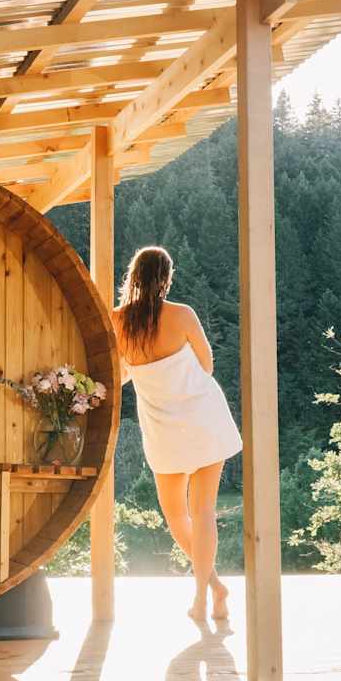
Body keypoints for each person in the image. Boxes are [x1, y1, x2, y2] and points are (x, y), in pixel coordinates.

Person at [112, 246, 242, 621]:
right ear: (166, 278)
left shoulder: (118, 321)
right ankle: (206, 593)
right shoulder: (183, 315)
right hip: (203, 418)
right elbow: (207, 365)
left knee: (176, 517)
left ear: (133, 277)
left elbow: (120, 376)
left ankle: (211, 589)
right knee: (204, 513)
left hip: (163, 427)